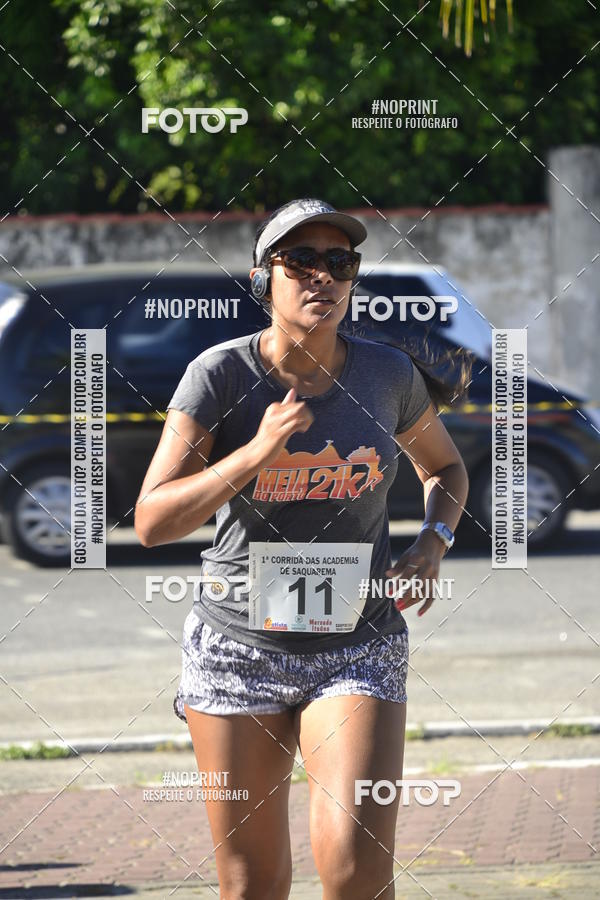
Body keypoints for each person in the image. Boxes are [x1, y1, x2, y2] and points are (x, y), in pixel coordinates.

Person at [135, 198, 469, 900]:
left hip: (358, 644)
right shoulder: (219, 375)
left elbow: (446, 469)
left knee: (355, 868)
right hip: (236, 650)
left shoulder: (387, 375)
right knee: (252, 885)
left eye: (339, 263)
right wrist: (254, 452)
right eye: (302, 261)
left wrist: (432, 544)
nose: (323, 276)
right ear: (264, 278)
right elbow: (152, 521)